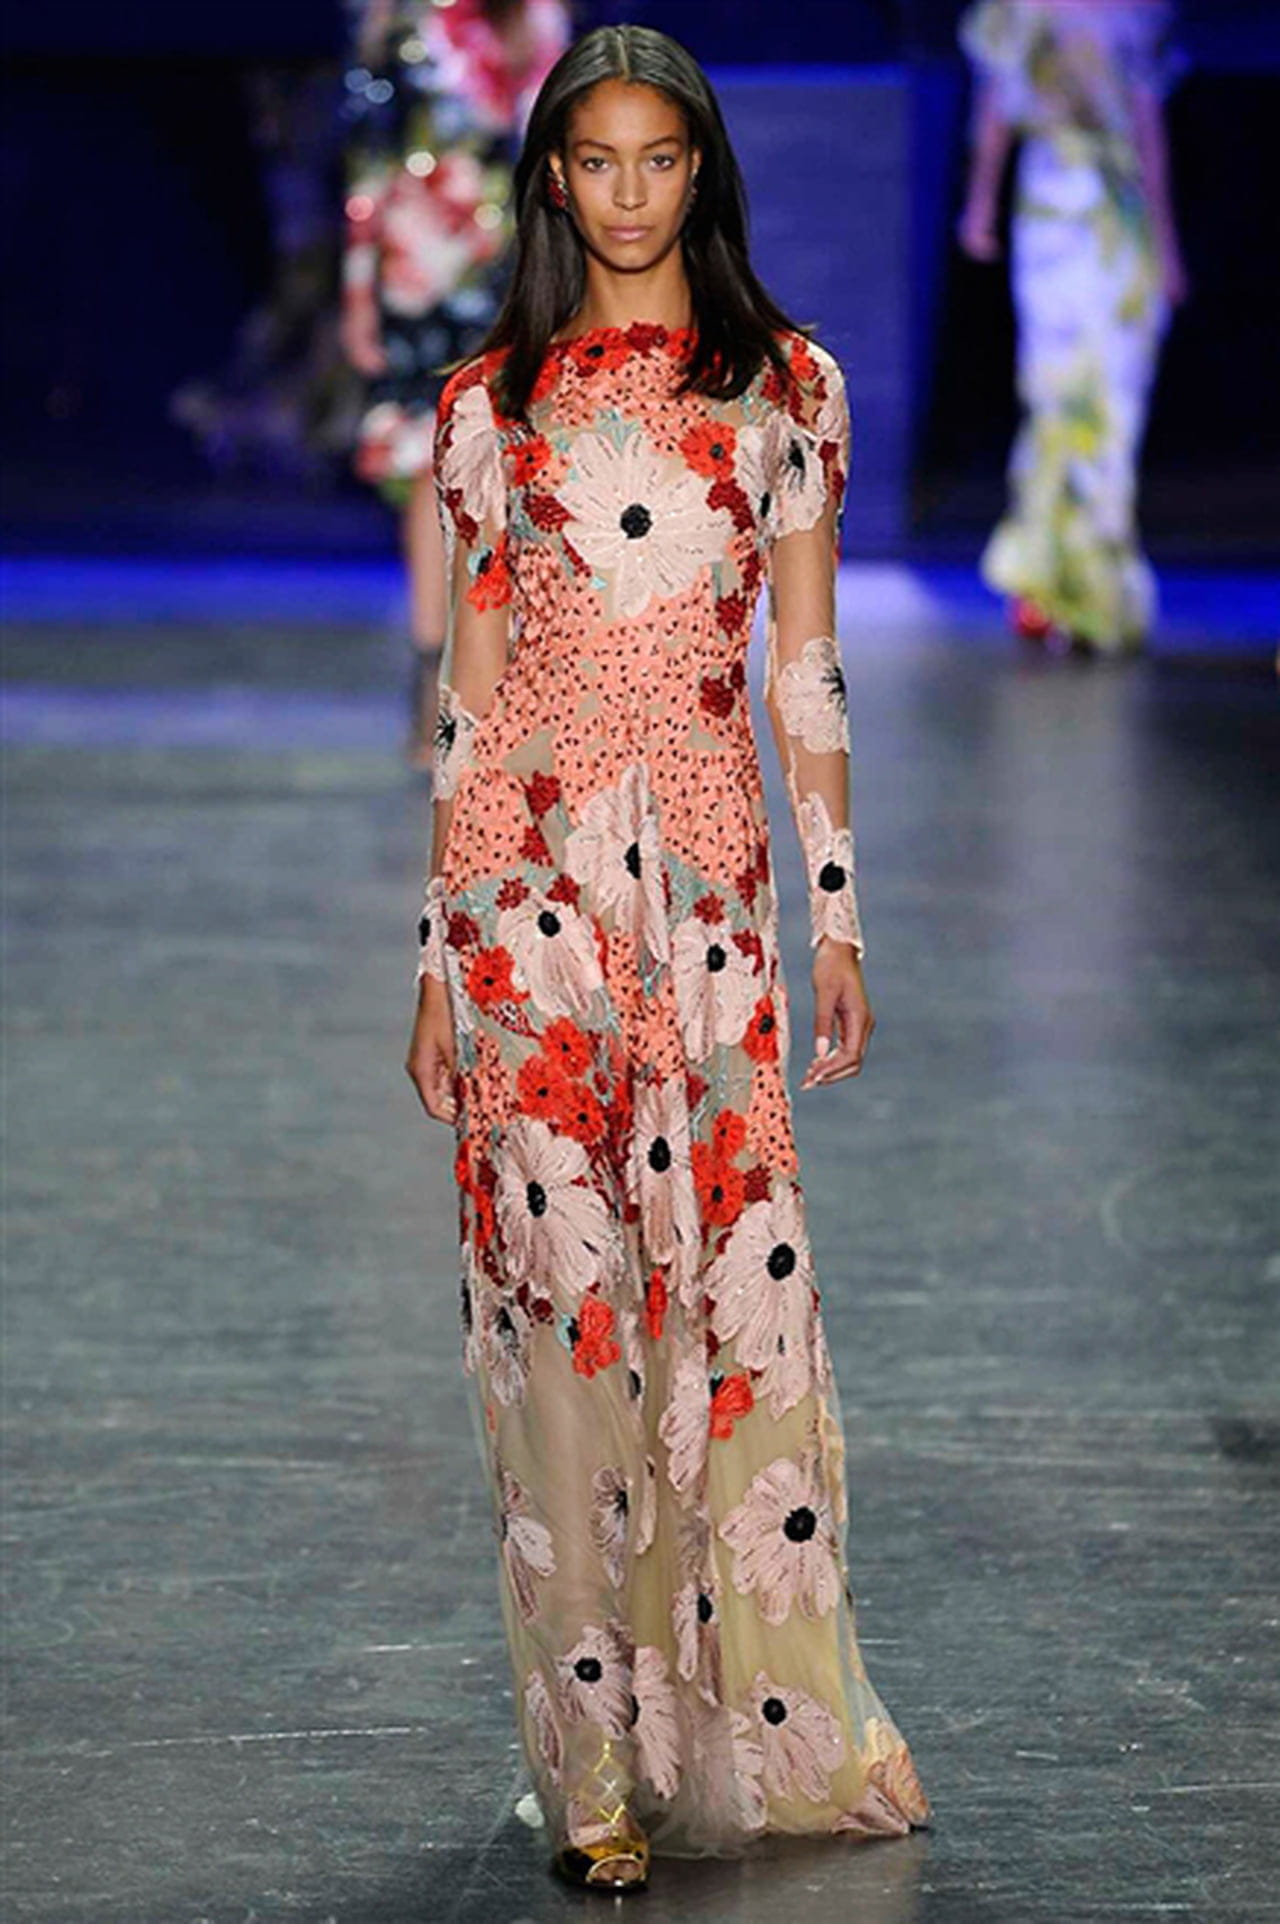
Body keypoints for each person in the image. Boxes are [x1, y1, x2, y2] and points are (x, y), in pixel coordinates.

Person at [405, 24, 929, 1891]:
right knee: (562, 1311)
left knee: (720, 1304)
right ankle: (595, 1776)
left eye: (659, 158)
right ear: (554, 179)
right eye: (595, 160)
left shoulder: (788, 390)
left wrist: (838, 912)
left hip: (706, 905)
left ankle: (742, 1727)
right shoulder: (492, 406)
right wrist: (433, 955)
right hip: (526, 902)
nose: (627, 192)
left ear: (700, 170)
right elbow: (473, 701)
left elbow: (808, 671)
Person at [341, 0, 569, 764]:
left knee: (516, 464)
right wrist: (358, 289)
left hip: (513, 264)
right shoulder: (401, 23)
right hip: (420, 269)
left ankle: (509, 679)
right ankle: (432, 682)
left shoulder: (538, 19)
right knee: (427, 464)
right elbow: (370, 159)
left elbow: (559, 153)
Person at [957, 0, 1186, 654]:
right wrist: (980, 204)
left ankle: (1085, 588)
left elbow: (1146, 124)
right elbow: (997, 106)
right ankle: (1050, 584)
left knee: (1110, 398)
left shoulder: (1133, 9)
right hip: (1060, 209)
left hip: (1106, 213)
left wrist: (1166, 246)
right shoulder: (1021, 9)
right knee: (1060, 391)